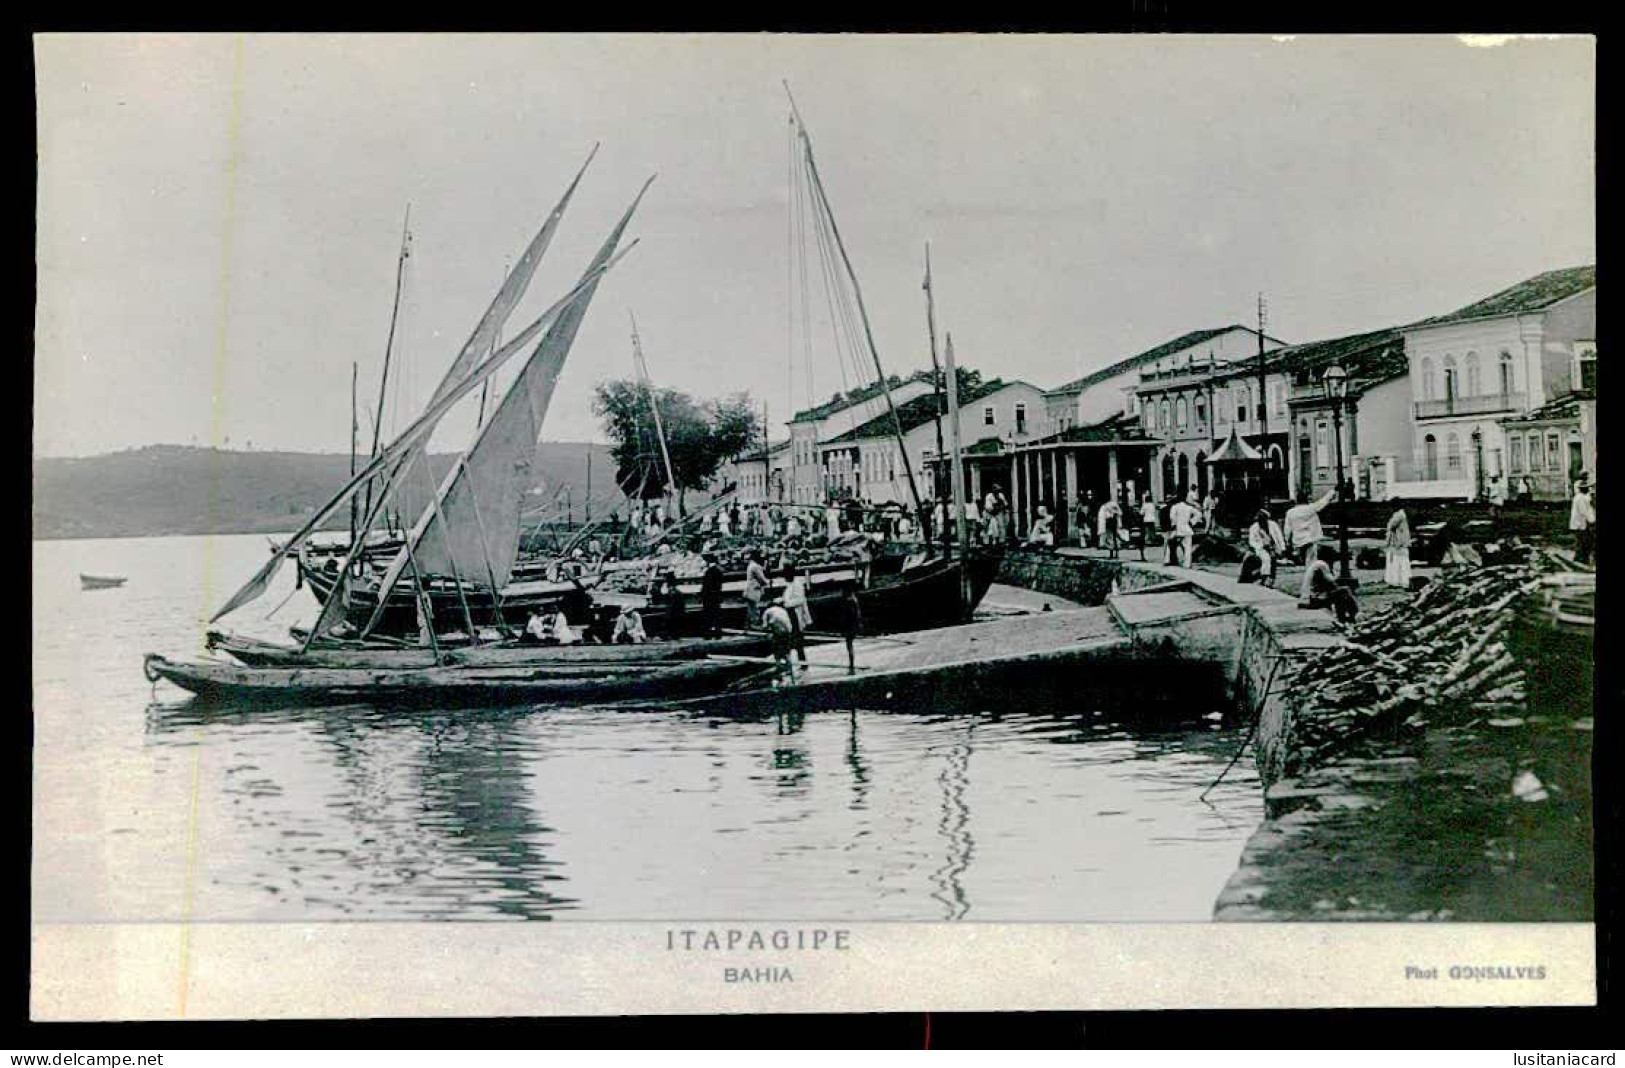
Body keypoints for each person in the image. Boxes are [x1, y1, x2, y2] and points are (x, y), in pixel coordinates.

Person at [1284, 487, 1337, 602]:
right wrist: (1332, 491)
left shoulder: (1290, 513)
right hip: (1310, 540)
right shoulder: (1310, 509)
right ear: (1306, 499)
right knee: (1311, 566)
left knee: (1308, 566)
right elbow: (1323, 502)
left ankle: (1313, 588)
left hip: (1298, 542)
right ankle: (1309, 591)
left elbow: (1287, 530)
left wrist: (1287, 543)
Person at [1305, 557, 1359, 624]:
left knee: (1340, 595)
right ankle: (1353, 614)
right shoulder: (1322, 565)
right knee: (1344, 591)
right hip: (1315, 598)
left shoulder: (1316, 564)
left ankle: (1344, 617)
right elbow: (1332, 582)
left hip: (1313, 597)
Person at [1246, 508, 1287, 587]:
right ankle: (1264, 577)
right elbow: (1251, 541)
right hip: (1261, 548)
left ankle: (1271, 579)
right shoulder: (1254, 527)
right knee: (1266, 559)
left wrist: (1282, 548)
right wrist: (1260, 546)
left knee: (1273, 561)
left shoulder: (1273, 525)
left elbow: (1279, 536)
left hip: (1273, 546)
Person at [830, 581, 863, 674]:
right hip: (852, 625)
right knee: (849, 645)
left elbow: (847, 616)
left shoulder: (849, 602)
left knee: (849, 645)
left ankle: (851, 665)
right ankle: (851, 664)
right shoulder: (854, 600)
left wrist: (843, 628)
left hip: (850, 626)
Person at [781, 564, 811, 667]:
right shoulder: (790, 585)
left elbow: (800, 600)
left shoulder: (797, 584)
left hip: (796, 615)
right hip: (790, 614)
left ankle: (801, 662)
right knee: (795, 640)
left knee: (796, 640)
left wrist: (786, 604)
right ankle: (797, 661)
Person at [762, 599, 797, 683]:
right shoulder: (783, 610)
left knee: (777, 652)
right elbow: (789, 624)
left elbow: (765, 625)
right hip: (787, 631)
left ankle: (779, 668)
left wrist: (766, 630)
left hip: (778, 631)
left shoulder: (767, 611)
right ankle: (789, 668)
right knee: (786, 651)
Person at [1169, 492, 1201, 568]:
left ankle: (1171, 560)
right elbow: (1199, 514)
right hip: (1187, 529)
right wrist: (1192, 522)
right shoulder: (1189, 507)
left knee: (1171, 544)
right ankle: (1187, 564)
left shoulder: (1175, 507)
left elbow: (1172, 517)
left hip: (1178, 530)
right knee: (1188, 548)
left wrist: (1175, 524)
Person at [1384, 506, 1413, 589]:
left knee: (1397, 562)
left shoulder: (1399, 515)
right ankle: (1399, 580)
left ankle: (1397, 580)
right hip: (1399, 543)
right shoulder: (1401, 515)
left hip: (1398, 543)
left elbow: (1390, 525)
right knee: (1399, 562)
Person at [1571, 478, 1596, 565]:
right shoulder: (1580, 498)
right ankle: (1581, 559)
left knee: (1583, 542)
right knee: (1583, 542)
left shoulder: (1582, 497)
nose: (1588, 489)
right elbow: (1584, 512)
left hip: (1581, 524)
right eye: (1586, 488)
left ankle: (1581, 559)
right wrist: (1592, 521)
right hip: (1581, 524)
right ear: (1582, 489)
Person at [700, 554, 725, 638]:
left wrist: (701, 595)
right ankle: (718, 633)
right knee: (717, 615)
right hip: (716, 595)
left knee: (708, 615)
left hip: (708, 597)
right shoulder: (719, 571)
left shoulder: (708, 572)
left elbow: (706, 586)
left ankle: (708, 634)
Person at [743, 551, 770, 627]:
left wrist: (765, 562)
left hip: (750, 589)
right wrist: (768, 582)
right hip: (754, 590)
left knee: (751, 609)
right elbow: (761, 578)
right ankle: (754, 624)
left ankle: (750, 624)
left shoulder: (751, 565)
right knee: (754, 609)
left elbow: (762, 569)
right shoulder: (755, 566)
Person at [657, 572, 686, 637]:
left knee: (671, 619)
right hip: (677, 610)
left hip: (673, 610)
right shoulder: (677, 592)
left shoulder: (671, 591)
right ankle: (674, 633)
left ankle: (670, 632)